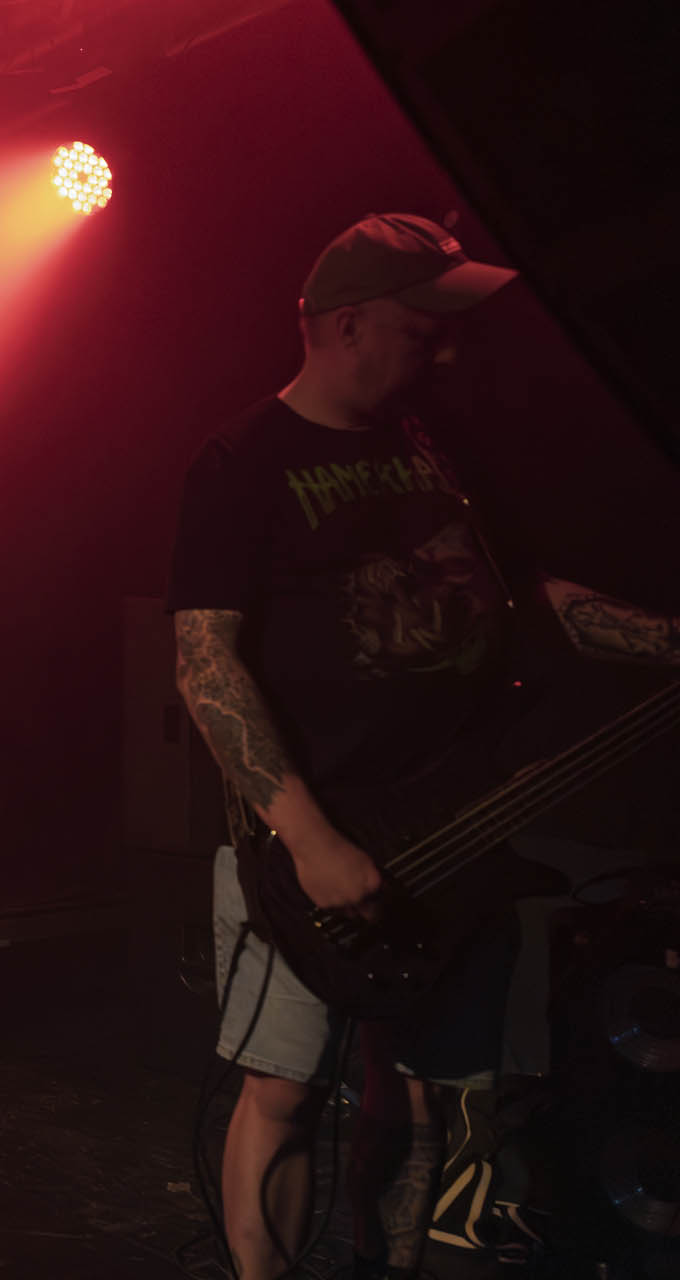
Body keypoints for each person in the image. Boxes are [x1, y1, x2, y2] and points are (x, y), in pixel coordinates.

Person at [167, 213, 680, 1279]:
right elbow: (204, 662)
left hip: (462, 827)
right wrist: (308, 837)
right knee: (283, 1093)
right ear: (348, 324)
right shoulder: (242, 460)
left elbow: (527, 594)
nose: (444, 352)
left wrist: (667, 640)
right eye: (421, 327)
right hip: (310, 839)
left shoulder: (433, 442)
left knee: (425, 1097)